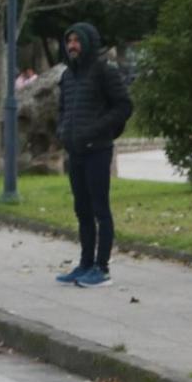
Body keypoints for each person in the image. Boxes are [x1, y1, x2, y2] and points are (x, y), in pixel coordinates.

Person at [54, 22, 134, 288]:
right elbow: (63, 108)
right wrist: (63, 131)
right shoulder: (67, 76)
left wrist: (97, 129)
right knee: (82, 209)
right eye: (69, 40)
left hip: (97, 151)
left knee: (100, 209)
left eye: (77, 40)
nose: (72, 45)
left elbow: (123, 106)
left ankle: (102, 267)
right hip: (74, 151)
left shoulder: (104, 72)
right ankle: (85, 263)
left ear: (88, 43)